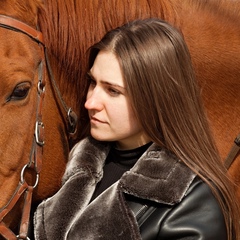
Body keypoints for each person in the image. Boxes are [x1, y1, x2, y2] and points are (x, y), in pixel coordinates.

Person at [34, 18, 239, 239]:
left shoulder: (194, 202)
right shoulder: (78, 165)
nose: (90, 103)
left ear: (155, 99)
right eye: (93, 82)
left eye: (113, 91)